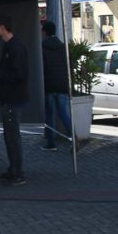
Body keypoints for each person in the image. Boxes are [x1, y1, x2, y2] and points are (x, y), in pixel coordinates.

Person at [0, 15, 29, 186]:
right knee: (9, 135)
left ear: (3, 27)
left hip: (14, 98)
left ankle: (18, 172)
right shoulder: (8, 46)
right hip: (8, 97)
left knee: (13, 136)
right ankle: (13, 168)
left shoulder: (16, 47)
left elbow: (19, 74)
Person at [40, 21, 72, 152]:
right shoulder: (62, 46)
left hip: (49, 85)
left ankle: (51, 142)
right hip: (62, 85)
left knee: (49, 114)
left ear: (44, 32)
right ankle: (73, 136)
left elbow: (42, 67)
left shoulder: (42, 46)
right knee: (64, 113)